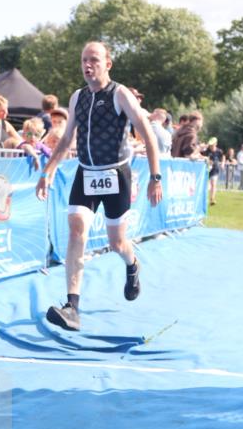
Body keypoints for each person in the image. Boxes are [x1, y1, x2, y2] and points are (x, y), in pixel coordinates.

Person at [36, 41, 163, 331]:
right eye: (83, 60)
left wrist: (156, 177)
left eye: (94, 59)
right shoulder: (77, 97)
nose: (87, 65)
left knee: (116, 242)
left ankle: (132, 264)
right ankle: (72, 307)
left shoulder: (121, 95)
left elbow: (148, 135)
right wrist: (48, 170)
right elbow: (67, 139)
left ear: (108, 64)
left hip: (116, 175)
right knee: (76, 228)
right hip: (86, 173)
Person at [202, 136, 224, 205]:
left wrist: (222, 163)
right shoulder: (206, 151)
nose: (211, 146)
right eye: (210, 145)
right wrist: (207, 160)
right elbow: (200, 155)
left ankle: (212, 199)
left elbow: (223, 156)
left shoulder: (219, 151)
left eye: (212, 145)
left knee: (213, 184)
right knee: (205, 185)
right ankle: (204, 198)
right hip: (206, 170)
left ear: (216, 144)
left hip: (215, 169)